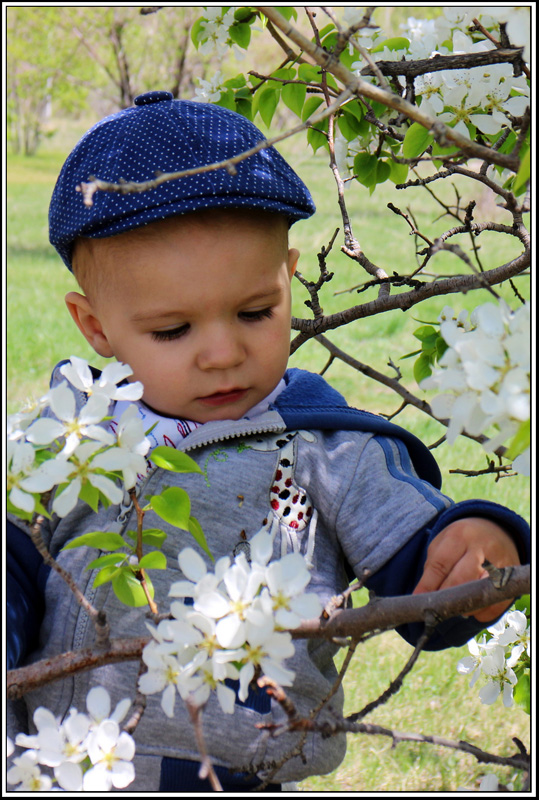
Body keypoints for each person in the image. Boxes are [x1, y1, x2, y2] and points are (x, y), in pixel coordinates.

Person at [7, 91, 530, 792]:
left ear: (288, 277)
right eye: (173, 331)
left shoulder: (324, 446)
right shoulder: (66, 448)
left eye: (255, 312)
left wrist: (470, 549)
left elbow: (419, 571)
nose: (222, 352)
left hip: (244, 772)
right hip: (57, 767)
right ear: (95, 327)